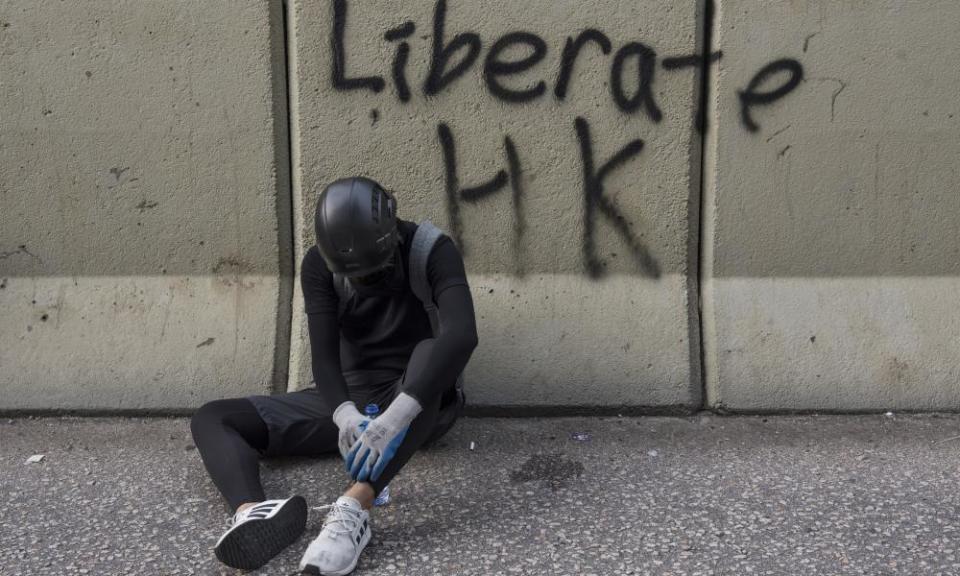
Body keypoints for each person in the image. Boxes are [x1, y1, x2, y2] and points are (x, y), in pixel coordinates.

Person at [190, 176, 479, 574]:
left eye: (375, 272)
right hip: (354, 407)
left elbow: (463, 336)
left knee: (431, 353)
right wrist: (344, 413)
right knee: (213, 417)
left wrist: (396, 417)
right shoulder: (318, 266)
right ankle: (252, 513)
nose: (366, 283)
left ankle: (354, 507)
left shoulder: (432, 250)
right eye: (356, 277)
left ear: (392, 235)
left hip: (420, 399)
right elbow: (325, 360)